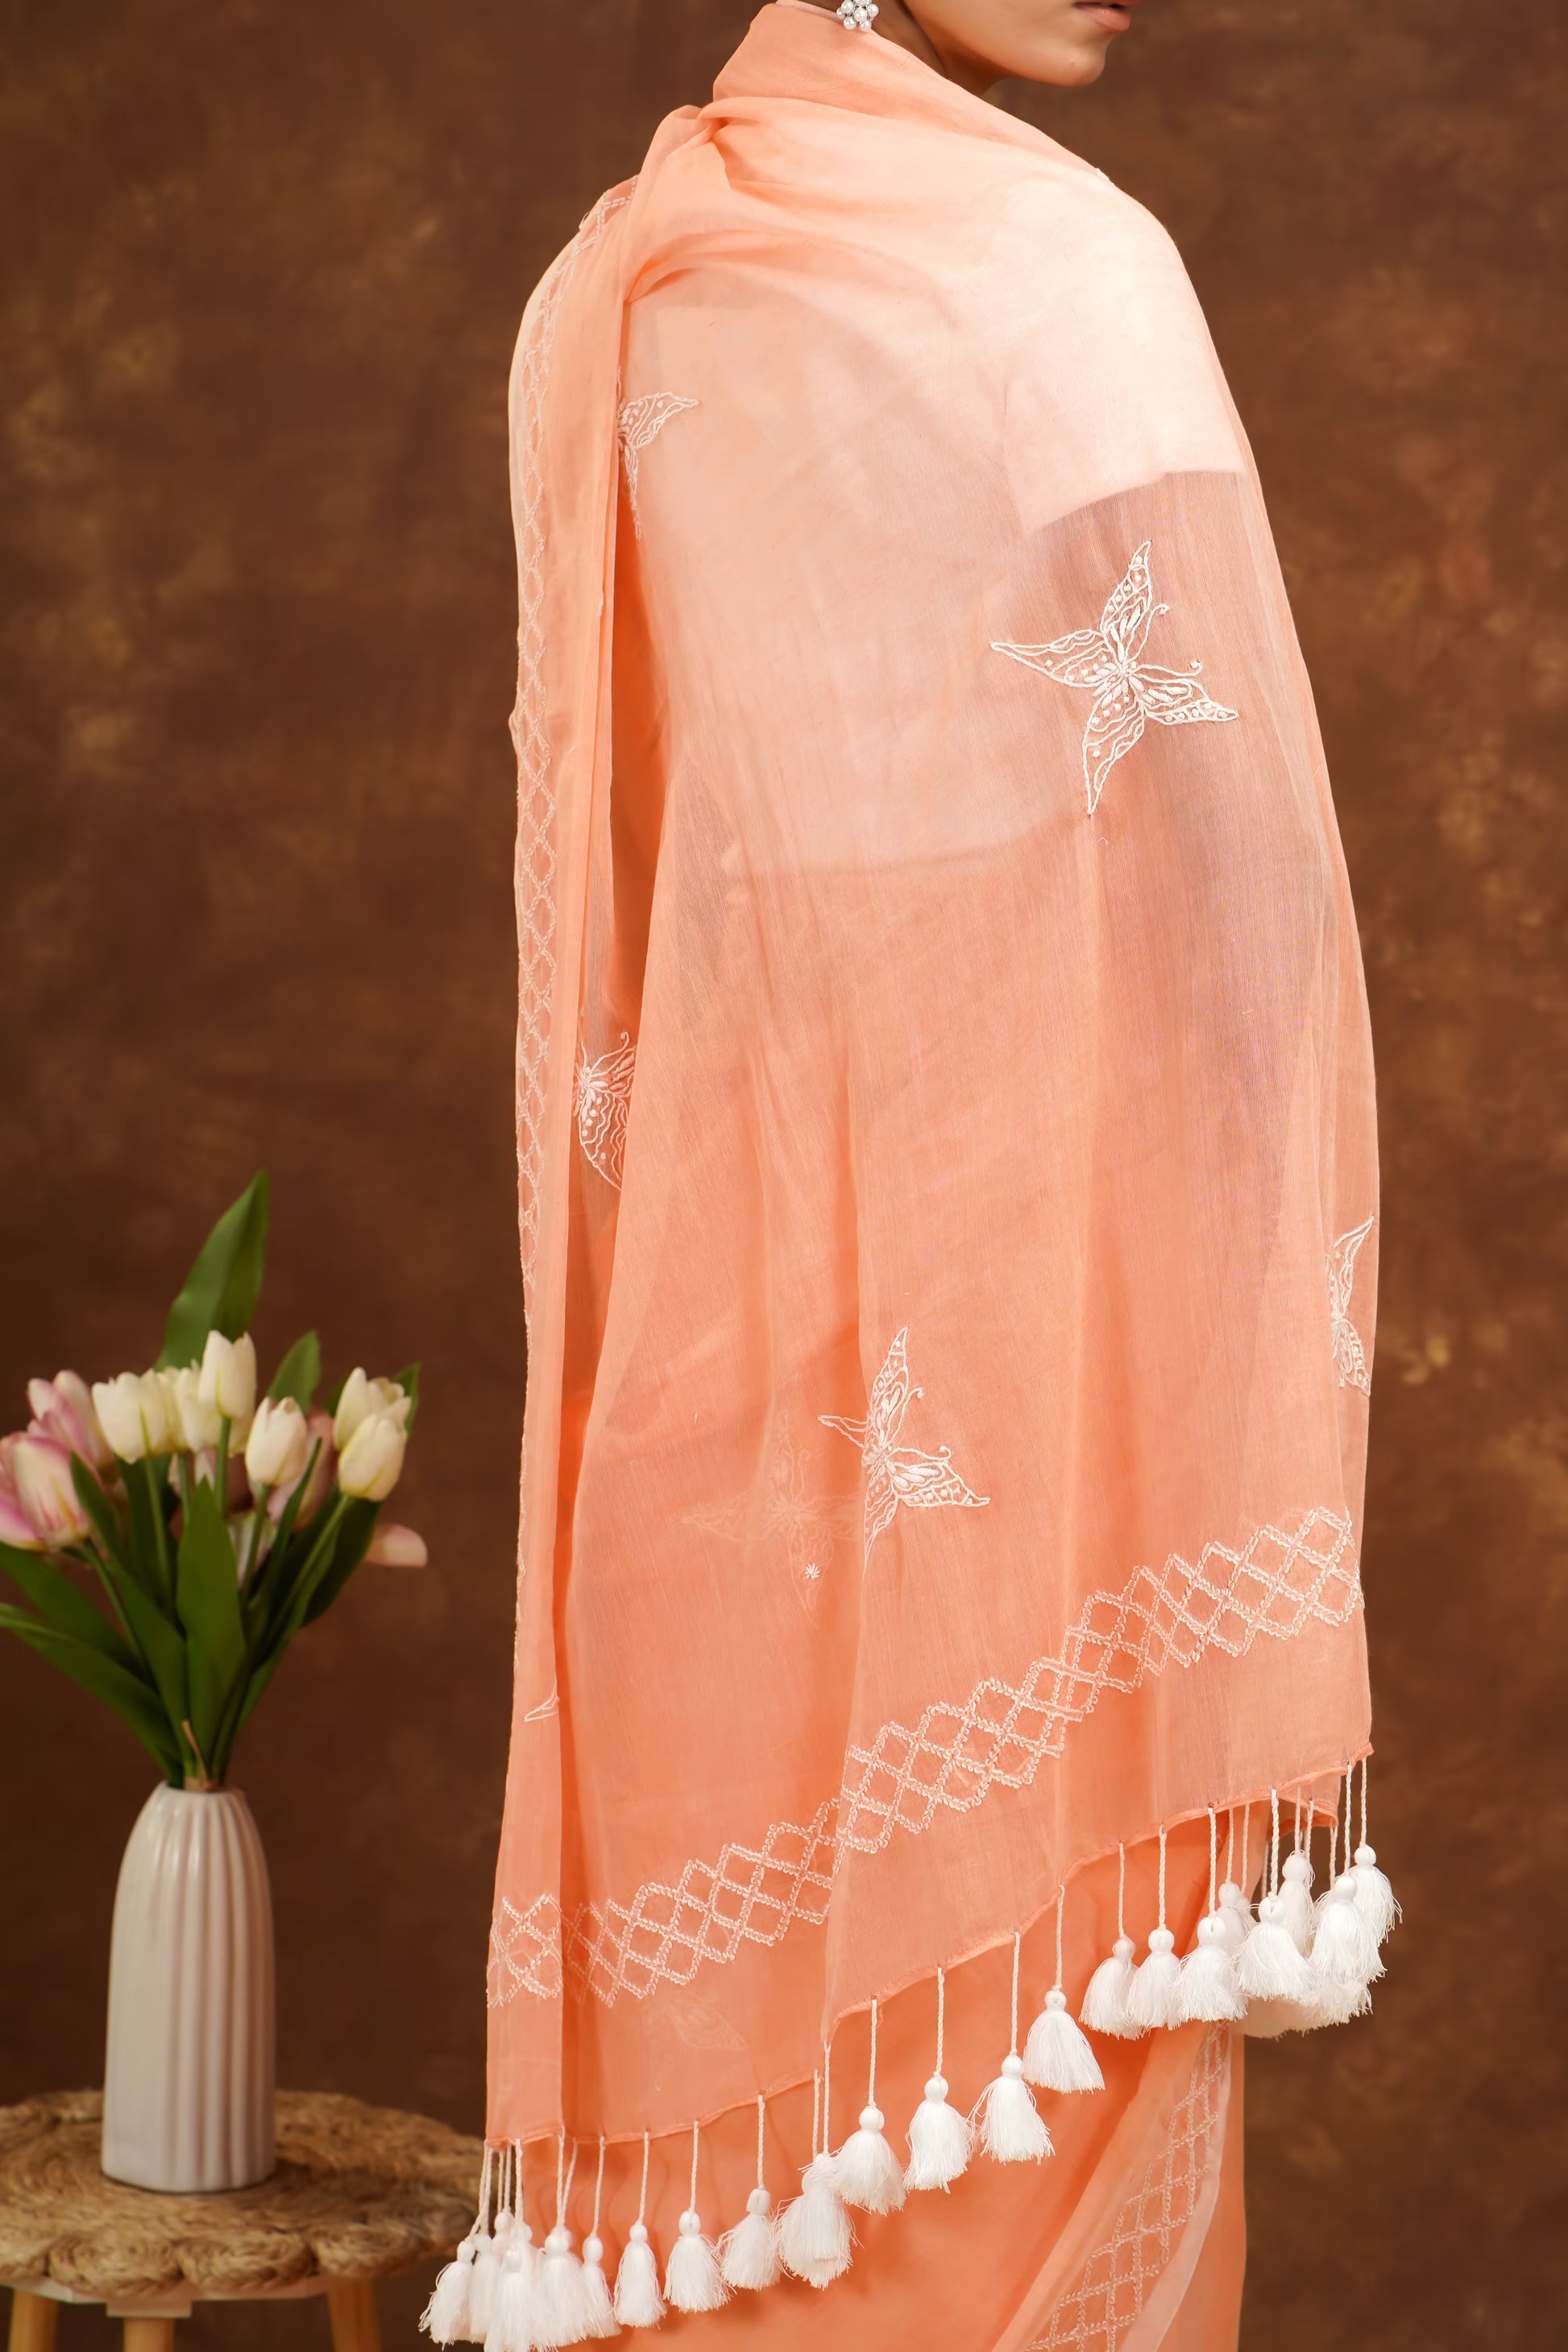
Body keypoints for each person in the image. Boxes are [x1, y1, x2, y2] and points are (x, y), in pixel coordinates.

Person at [437, 5, 1395, 2346]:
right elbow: (1249, 899)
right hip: (1042, 1325)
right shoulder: (1059, 268)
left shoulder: (610, 297)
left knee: (791, 2140)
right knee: (1037, 2024)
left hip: (720, 1304)